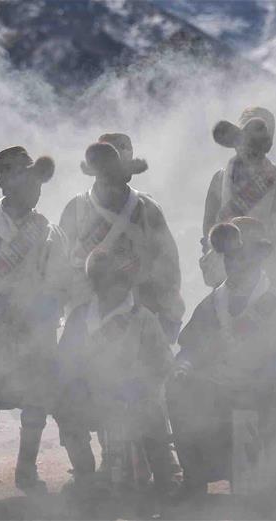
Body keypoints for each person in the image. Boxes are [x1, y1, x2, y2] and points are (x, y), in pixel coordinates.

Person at [59, 136, 184, 494]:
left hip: (138, 315)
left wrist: (166, 310)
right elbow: (64, 264)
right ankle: (105, 465)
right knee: (91, 388)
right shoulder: (77, 209)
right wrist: (81, 304)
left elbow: (167, 264)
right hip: (92, 314)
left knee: (148, 394)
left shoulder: (147, 209)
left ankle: (165, 469)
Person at [167, 217, 276, 500]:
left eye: (243, 259)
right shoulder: (213, 303)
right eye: (231, 258)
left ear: (259, 259)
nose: (235, 265)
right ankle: (195, 477)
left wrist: (274, 372)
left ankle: (270, 476)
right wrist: (185, 365)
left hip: (267, 390)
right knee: (179, 389)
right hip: (218, 387)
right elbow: (192, 347)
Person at [0, 146, 67, 499]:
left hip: (36, 330)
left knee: (35, 402)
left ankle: (26, 469)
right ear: (7, 184)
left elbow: (59, 279)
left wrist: (44, 310)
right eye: (26, 178)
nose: (35, 187)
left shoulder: (48, 230)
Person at [55, 247, 174, 499]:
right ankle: (84, 476)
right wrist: (74, 386)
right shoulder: (80, 317)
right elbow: (64, 362)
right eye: (102, 280)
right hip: (92, 398)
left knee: (152, 415)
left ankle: (164, 479)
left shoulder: (143, 318)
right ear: (95, 284)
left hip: (135, 397)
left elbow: (162, 363)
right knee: (65, 408)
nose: (113, 287)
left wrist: (140, 385)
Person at [200, 107, 276, 299]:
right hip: (226, 287)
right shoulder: (219, 181)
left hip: (275, 291)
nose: (248, 146)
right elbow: (208, 233)